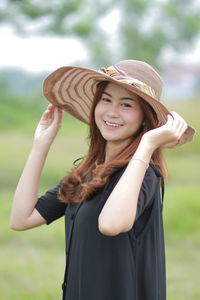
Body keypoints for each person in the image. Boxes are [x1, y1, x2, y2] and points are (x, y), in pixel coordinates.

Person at [10, 60, 195, 300]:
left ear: (145, 118)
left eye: (126, 104)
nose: (111, 112)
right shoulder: (87, 174)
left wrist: (147, 145)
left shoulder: (144, 174)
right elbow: (21, 219)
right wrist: (40, 146)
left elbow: (110, 224)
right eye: (106, 99)